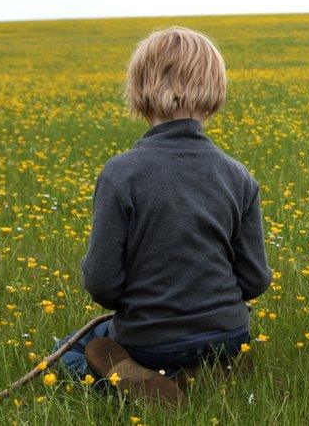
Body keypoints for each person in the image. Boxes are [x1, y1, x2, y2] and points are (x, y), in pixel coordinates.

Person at [56, 27, 271, 405]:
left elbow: (101, 283)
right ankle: (203, 372)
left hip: (150, 340)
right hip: (229, 337)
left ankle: (133, 377)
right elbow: (254, 280)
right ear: (215, 91)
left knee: (68, 351)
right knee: (203, 343)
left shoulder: (121, 173)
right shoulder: (238, 175)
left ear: (139, 92)